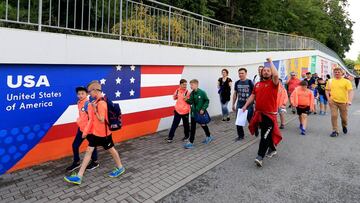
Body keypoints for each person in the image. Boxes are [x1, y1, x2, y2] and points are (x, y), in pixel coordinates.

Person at [64, 81, 125, 185]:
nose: (89, 94)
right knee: (88, 152)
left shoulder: (101, 103)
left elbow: (101, 119)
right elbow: (91, 120)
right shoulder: (96, 101)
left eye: (90, 91)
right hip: (96, 134)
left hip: (105, 134)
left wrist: (95, 109)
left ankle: (120, 167)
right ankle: (79, 177)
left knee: (112, 150)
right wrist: (86, 131)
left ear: (95, 91)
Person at [242, 58, 282, 167]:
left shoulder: (274, 83)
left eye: (268, 70)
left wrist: (270, 62)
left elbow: (276, 75)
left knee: (264, 136)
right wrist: (245, 106)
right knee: (266, 134)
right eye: (264, 70)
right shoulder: (257, 84)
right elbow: (253, 96)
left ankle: (260, 157)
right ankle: (272, 149)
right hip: (259, 114)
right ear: (261, 72)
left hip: (269, 115)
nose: (266, 72)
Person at [66, 87, 99, 172]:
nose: (80, 95)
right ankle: (76, 162)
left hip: (89, 130)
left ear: (87, 94)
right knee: (75, 145)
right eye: (79, 94)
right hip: (81, 129)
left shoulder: (88, 104)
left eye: (82, 93)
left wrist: (86, 131)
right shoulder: (79, 103)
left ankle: (95, 162)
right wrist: (79, 121)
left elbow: (91, 119)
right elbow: (83, 116)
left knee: (92, 146)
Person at [184, 79, 213, 149]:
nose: (190, 86)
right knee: (193, 128)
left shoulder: (202, 92)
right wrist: (186, 100)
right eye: (190, 85)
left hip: (200, 113)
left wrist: (203, 109)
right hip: (193, 113)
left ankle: (209, 136)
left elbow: (207, 101)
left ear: (196, 84)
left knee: (203, 125)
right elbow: (190, 102)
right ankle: (191, 142)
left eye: (192, 85)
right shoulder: (192, 93)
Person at [326, 68, 354, 137]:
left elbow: (350, 91)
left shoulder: (346, 81)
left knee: (344, 118)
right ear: (333, 73)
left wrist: (349, 101)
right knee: (334, 115)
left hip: (344, 102)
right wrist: (328, 99)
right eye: (335, 72)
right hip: (333, 101)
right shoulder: (330, 81)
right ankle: (335, 130)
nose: (337, 73)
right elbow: (327, 90)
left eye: (338, 72)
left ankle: (344, 125)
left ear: (342, 73)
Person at [232, 68, 256, 141]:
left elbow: (254, 94)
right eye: (239, 73)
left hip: (249, 105)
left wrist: (255, 104)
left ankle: (255, 130)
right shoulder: (237, 83)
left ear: (246, 73)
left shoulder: (249, 82)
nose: (240, 75)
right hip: (240, 104)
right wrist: (233, 104)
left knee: (250, 120)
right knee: (238, 121)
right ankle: (240, 136)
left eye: (242, 73)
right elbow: (235, 94)